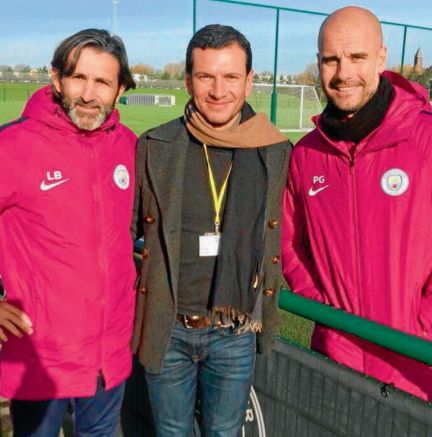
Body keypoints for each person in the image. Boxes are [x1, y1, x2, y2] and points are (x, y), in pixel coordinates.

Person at [131, 24, 291, 436]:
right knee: (170, 432)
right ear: (188, 80)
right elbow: (119, 232)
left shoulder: (275, 151)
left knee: (224, 432)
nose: (218, 90)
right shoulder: (154, 145)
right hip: (168, 328)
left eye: (231, 76)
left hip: (234, 333)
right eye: (205, 76)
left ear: (250, 80)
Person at [282, 6, 432, 400]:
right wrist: (324, 312)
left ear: (381, 58)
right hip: (335, 362)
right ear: (318, 63)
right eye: (331, 59)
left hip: (414, 368)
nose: (343, 72)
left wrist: (422, 325)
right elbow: (289, 244)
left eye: (357, 57)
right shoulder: (306, 155)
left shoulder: (425, 139)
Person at [0, 29, 137, 436]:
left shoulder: (129, 146)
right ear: (56, 78)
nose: (89, 94)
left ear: (120, 89)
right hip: (43, 352)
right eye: (79, 78)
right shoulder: (14, 144)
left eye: (102, 82)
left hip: (108, 351)